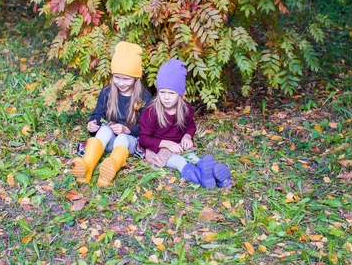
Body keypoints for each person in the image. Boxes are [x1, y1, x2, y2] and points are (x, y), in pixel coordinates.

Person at [139, 59, 232, 188]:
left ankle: (219, 177)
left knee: (193, 158)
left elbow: (191, 125)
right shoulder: (151, 111)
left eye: (171, 93)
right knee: (179, 161)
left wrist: (187, 136)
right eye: (162, 92)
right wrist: (166, 143)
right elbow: (143, 139)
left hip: (179, 145)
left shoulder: (185, 109)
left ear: (180, 94)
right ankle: (203, 180)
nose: (166, 97)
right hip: (158, 149)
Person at [71, 41, 151, 187]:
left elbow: (147, 129)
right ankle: (86, 168)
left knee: (122, 137)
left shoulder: (143, 98)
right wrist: (93, 124)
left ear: (136, 78)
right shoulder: (107, 92)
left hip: (129, 142)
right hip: (108, 141)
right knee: (104, 129)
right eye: (117, 77)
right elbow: (97, 114)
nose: (121, 83)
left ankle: (109, 171)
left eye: (126, 79)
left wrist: (127, 129)